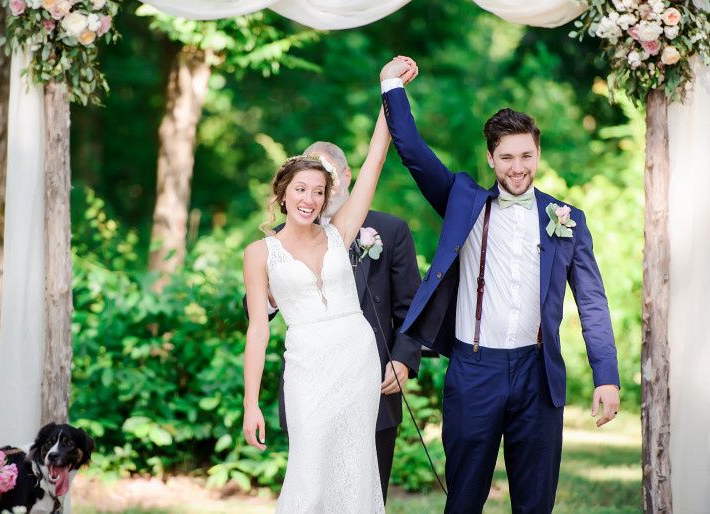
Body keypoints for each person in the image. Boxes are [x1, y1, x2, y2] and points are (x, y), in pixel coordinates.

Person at [379, 56, 621, 514]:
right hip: (474, 371)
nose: (517, 167)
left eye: (526, 155)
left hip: (537, 373)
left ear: (538, 155)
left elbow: (592, 302)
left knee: (535, 503)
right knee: (464, 499)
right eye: (507, 157)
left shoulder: (567, 219)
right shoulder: (461, 199)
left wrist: (605, 376)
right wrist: (391, 85)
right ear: (491, 158)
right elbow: (411, 149)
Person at [242, 59, 418, 513]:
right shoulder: (260, 254)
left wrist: (389, 89)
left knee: (357, 469)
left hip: (356, 359)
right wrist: (250, 404)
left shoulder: (340, 234)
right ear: (283, 194)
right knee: (310, 465)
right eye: (300, 190)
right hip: (307, 369)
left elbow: (374, 161)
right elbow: (258, 331)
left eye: (318, 192)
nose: (309, 200)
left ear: (329, 195)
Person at [265, 140, 423, 503]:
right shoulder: (279, 243)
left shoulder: (391, 229)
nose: (316, 192)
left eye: (324, 181)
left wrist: (402, 359)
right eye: (304, 184)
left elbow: (412, 306)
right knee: (314, 494)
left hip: (372, 382)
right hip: (313, 387)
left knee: (364, 496)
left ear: (345, 177)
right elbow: (254, 308)